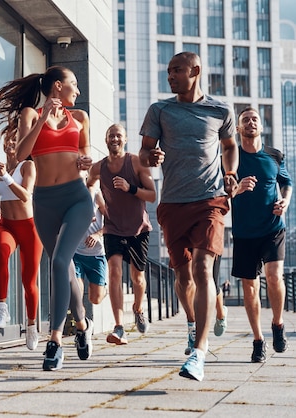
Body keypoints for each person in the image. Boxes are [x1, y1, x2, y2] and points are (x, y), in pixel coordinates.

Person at [139, 52, 239, 381]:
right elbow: (144, 152)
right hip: (172, 203)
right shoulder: (160, 110)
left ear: (195, 71)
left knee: (202, 267)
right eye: (168, 71)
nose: (170, 76)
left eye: (177, 70)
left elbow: (228, 145)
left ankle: (199, 352)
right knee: (183, 279)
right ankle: (193, 323)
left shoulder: (221, 109)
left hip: (210, 200)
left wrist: (230, 171)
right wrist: (150, 156)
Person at [0, 66, 93, 371]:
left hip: (76, 198)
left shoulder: (81, 118)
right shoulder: (29, 115)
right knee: (67, 269)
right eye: (74, 84)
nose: (78, 91)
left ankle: (56, 341)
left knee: (59, 263)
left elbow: (84, 151)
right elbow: (22, 153)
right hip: (45, 203)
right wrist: (44, 118)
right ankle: (82, 324)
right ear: (58, 86)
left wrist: (86, 160)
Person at [231, 107, 292, 362]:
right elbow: (219, 191)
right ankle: (258, 340)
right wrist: (238, 189)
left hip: (272, 228)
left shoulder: (275, 155)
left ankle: (277, 325)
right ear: (238, 128)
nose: (251, 122)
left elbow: (286, 183)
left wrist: (285, 202)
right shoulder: (230, 158)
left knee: (275, 277)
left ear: (261, 125)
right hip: (244, 233)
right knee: (250, 288)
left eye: (254, 118)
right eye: (245, 120)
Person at [87, 124, 156, 344]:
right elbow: (89, 184)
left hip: (138, 229)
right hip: (113, 228)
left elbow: (152, 195)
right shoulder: (98, 167)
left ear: (125, 139)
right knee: (114, 272)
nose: (114, 139)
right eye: (111, 136)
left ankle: (138, 308)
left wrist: (130, 188)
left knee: (138, 277)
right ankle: (118, 327)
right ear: (106, 140)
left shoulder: (136, 162)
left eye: (118, 135)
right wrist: (93, 205)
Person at [0, 136, 43, 350]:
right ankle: (2, 307)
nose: (11, 144)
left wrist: (6, 178)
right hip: (7, 225)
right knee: (1, 255)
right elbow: (1, 196)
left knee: (28, 283)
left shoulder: (28, 166)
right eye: (8, 141)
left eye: (15, 141)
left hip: (29, 228)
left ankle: (31, 325)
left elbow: (26, 195)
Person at [72, 188, 108, 307]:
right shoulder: (69, 193)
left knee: (95, 299)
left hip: (96, 254)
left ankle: (104, 289)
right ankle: (79, 319)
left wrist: (97, 235)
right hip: (76, 253)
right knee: (77, 291)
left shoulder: (96, 194)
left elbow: (112, 221)